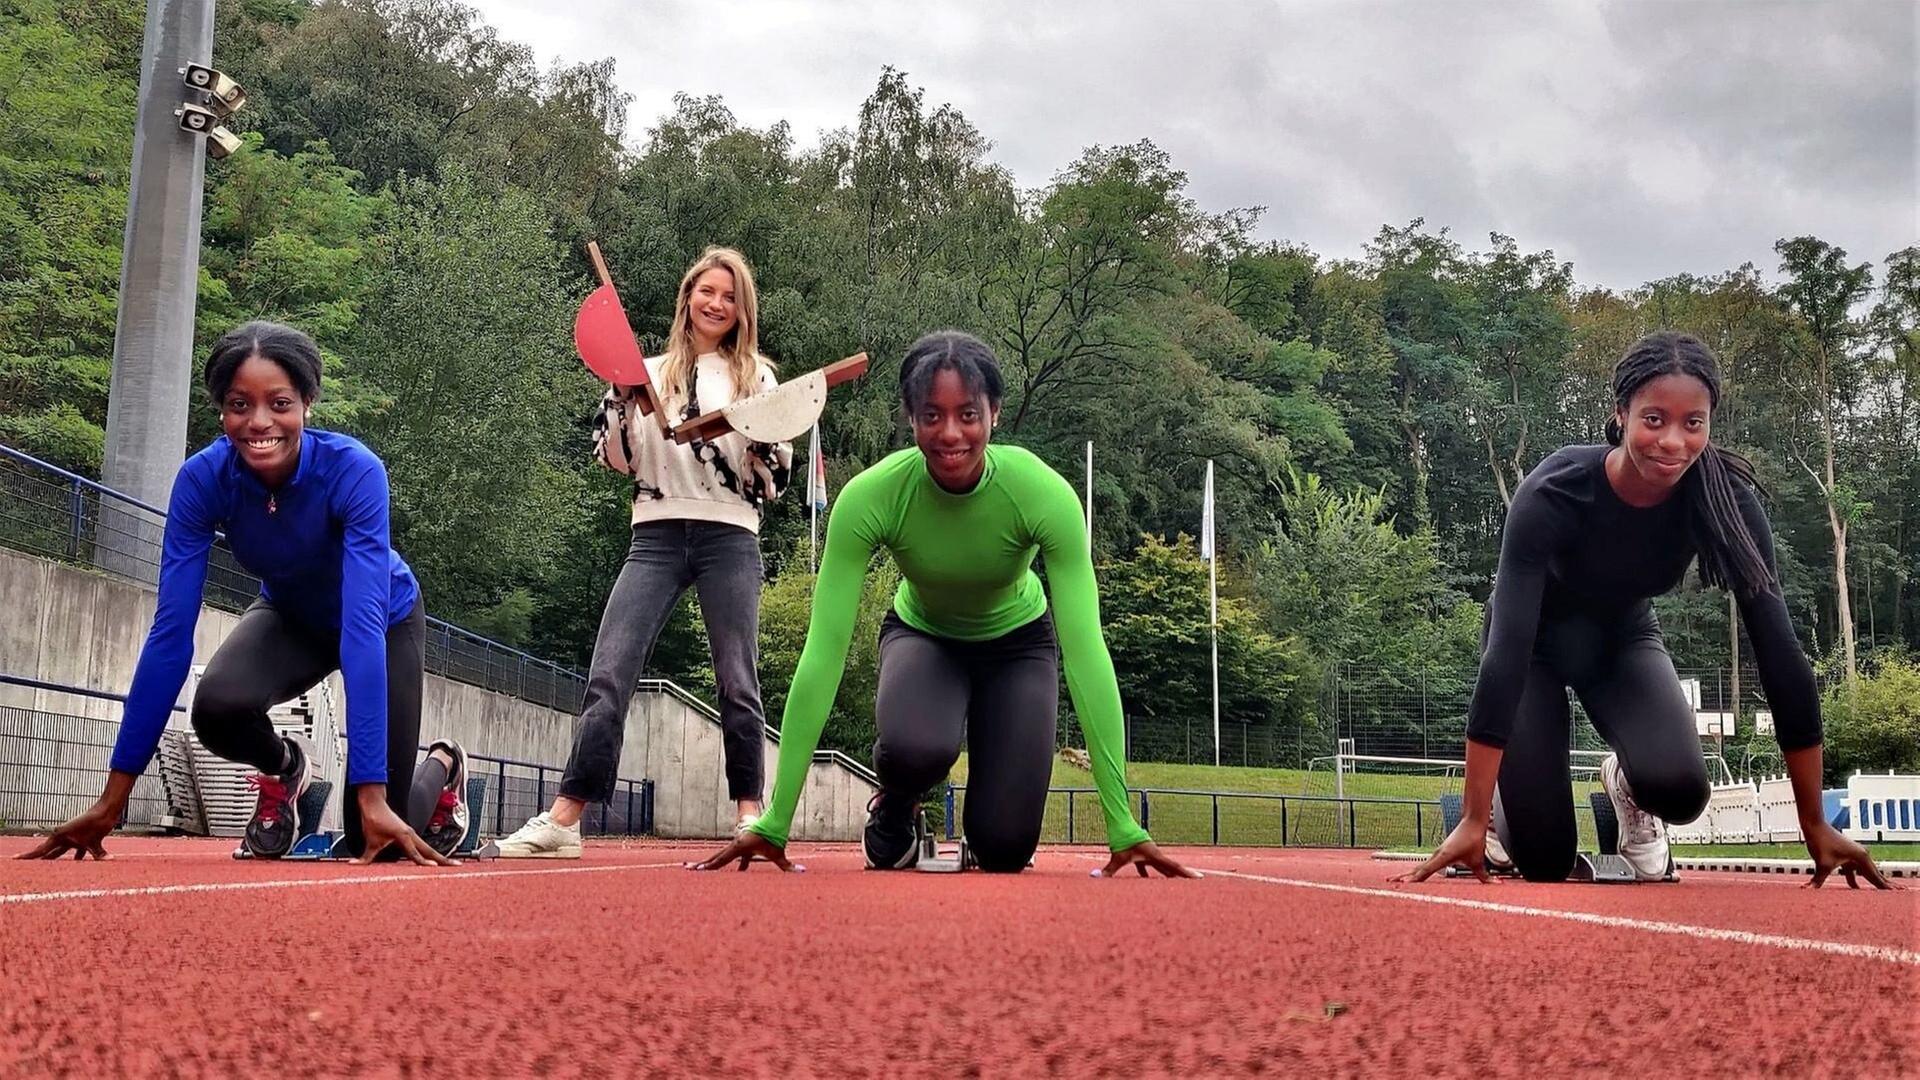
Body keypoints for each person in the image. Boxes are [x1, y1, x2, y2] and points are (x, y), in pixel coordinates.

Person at [693, 330, 1194, 878]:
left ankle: (990, 828)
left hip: (1018, 647)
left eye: (968, 415)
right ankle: (896, 809)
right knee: (915, 746)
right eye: (931, 416)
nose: (950, 433)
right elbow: (825, 652)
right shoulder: (872, 496)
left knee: (1005, 850)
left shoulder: (1042, 494)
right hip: (925, 635)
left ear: (995, 415)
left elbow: (1086, 652)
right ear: (910, 419)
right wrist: (775, 818)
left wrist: (1122, 822)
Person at [1404, 331, 1893, 889]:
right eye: (1654, 419)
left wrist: (1814, 823)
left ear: (1710, 423)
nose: (1673, 442)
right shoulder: (1554, 491)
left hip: (1621, 641)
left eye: (1694, 423)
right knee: (1544, 860)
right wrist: (1468, 816)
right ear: (1621, 413)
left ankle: (1627, 783)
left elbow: (1779, 653)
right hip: (1533, 646)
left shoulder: (1726, 502)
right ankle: (1491, 815)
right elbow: (1506, 651)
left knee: (1683, 791)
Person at [18, 321, 461, 866]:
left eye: (279, 403)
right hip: (291, 614)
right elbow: (171, 635)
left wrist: (371, 794)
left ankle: (442, 768)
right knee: (218, 708)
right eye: (238, 404)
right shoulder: (203, 481)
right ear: (221, 411)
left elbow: (363, 627)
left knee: (377, 836)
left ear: (307, 403)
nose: (258, 423)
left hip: (383, 620)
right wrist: (113, 800)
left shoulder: (354, 472)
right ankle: (285, 770)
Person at [494, 247, 791, 858]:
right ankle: (565, 820)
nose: (716, 303)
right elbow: (614, 459)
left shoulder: (757, 378)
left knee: (738, 678)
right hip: (654, 531)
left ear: (743, 311)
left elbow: (775, 481)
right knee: (610, 671)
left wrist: (754, 438)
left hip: (729, 532)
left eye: (730, 297)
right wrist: (625, 398)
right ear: (687, 297)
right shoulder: (642, 369)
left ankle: (749, 817)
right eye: (707, 291)